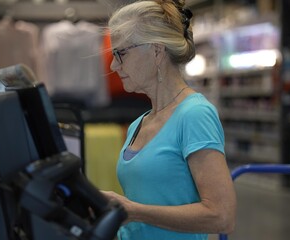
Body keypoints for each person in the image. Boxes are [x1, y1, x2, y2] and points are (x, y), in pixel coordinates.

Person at [101, 0, 237, 239]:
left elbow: (221, 216)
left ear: (156, 50)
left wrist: (134, 211)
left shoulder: (194, 115)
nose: (113, 65)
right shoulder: (138, 124)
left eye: (120, 53)